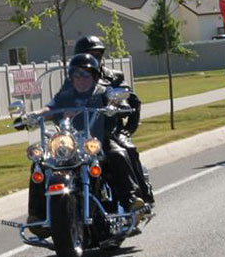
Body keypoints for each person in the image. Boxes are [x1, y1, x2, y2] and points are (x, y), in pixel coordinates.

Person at [23, 54, 146, 238]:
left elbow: (119, 103)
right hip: (70, 143)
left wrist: (117, 106)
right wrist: (34, 114)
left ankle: (132, 202)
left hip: (97, 141)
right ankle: (37, 215)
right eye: (77, 74)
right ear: (71, 77)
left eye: (86, 75)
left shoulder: (102, 92)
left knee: (118, 154)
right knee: (39, 163)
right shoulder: (66, 94)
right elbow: (50, 108)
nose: (81, 79)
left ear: (95, 76)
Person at [71, 35, 154, 204]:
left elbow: (131, 100)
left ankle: (135, 198)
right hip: (78, 135)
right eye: (90, 54)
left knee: (121, 152)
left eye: (98, 54)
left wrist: (125, 123)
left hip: (107, 131)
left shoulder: (113, 77)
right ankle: (39, 214)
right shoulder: (72, 80)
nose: (95, 58)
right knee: (45, 162)